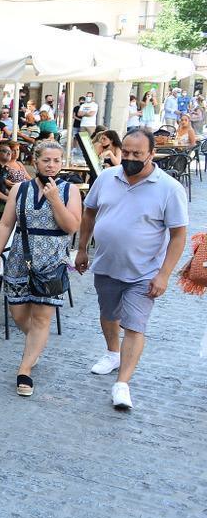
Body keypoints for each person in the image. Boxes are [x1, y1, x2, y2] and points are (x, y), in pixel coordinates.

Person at [75, 128, 188, 410]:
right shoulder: (106, 178)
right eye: (125, 152)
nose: (130, 158)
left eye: (137, 153)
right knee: (108, 314)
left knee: (134, 326)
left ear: (152, 153)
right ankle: (113, 353)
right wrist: (81, 248)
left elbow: (178, 235)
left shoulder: (169, 188)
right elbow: (89, 213)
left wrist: (164, 274)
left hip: (144, 272)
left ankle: (122, 384)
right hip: (107, 264)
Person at [0, 141, 82, 397]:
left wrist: (55, 201)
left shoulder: (69, 190)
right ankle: (36, 345)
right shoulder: (20, 189)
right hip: (20, 257)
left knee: (42, 318)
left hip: (52, 261)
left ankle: (25, 369)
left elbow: (71, 226)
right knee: (19, 314)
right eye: (46, 161)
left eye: (56, 161)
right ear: (35, 161)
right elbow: (7, 224)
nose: (51, 166)